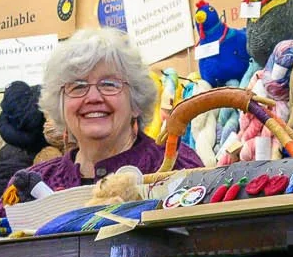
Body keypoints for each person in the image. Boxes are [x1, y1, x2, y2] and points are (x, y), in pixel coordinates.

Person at [22, 29, 201, 194]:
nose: (93, 97)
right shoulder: (31, 186)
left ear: (135, 102)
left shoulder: (177, 167)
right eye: (77, 86)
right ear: (60, 104)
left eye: (109, 84)